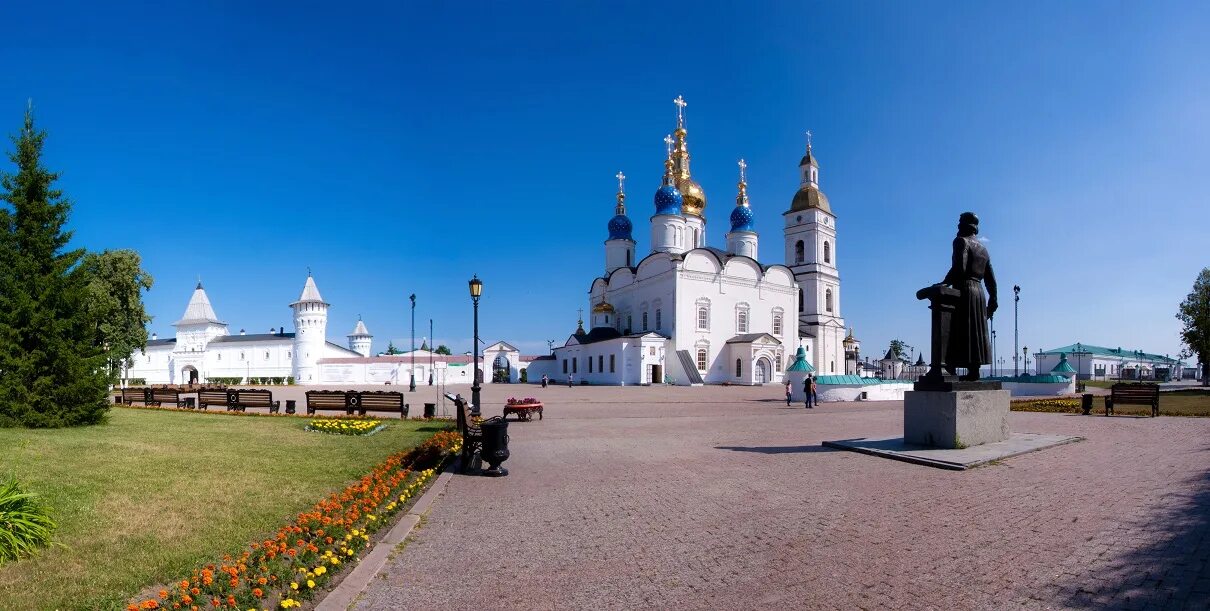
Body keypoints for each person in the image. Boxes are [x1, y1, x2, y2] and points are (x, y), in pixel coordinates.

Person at [941, 212, 998, 381]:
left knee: (956, 328)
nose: (957, 226)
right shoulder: (983, 249)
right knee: (975, 331)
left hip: (964, 289)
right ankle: (974, 370)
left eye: (960, 223)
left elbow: (960, 267)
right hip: (979, 293)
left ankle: (949, 368)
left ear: (966, 226)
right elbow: (991, 279)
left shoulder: (961, 241)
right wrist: (993, 298)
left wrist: (943, 283)